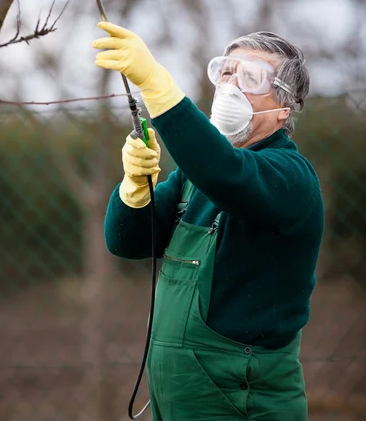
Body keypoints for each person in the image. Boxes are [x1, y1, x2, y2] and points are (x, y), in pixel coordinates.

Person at [92, 21, 324, 421]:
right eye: (226, 71)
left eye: (250, 76)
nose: (230, 85)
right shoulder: (193, 175)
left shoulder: (290, 176)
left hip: (240, 400)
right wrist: (134, 187)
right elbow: (126, 243)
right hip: (177, 395)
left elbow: (228, 173)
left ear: (283, 110)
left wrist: (156, 84)